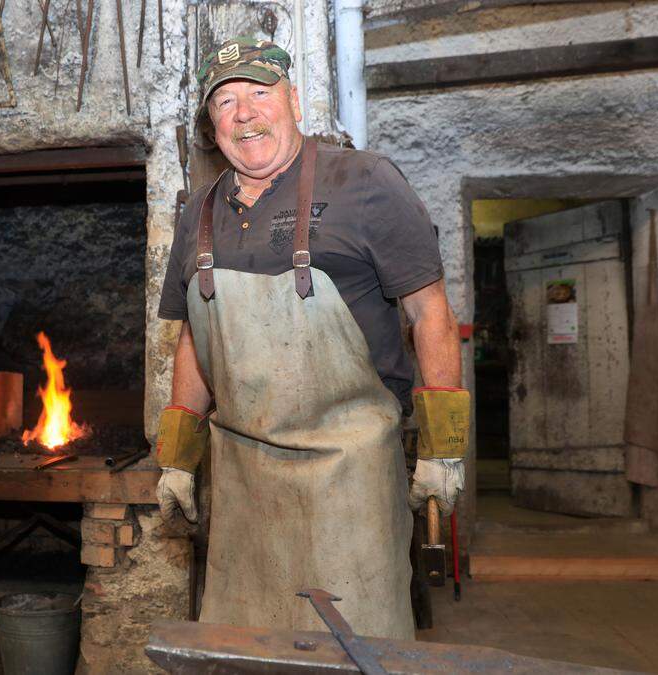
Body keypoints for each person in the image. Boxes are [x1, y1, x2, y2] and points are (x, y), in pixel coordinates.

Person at [153, 37, 469, 640]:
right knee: (243, 646)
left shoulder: (365, 181)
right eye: (224, 102)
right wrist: (178, 459)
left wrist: (442, 449)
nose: (243, 113)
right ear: (210, 124)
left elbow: (432, 314)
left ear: (292, 99)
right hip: (243, 479)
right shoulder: (198, 212)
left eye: (258, 93)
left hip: (351, 474)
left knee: (354, 644)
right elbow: (194, 335)